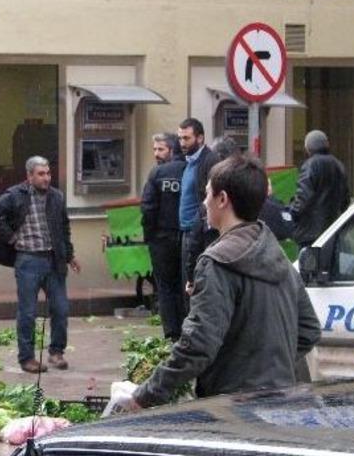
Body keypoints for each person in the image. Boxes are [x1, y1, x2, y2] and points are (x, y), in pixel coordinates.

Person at [118, 155, 321, 410]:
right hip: (282, 402)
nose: (204, 202)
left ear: (222, 199)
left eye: (207, 195)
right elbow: (309, 330)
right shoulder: (276, 254)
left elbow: (198, 344)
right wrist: (269, 367)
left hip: (233, 409)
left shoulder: (217, 262)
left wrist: (146, 394)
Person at [0, 156, 81, 373]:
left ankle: (56, 353)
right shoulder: (16, 195)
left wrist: (70, 254)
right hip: (28, 260)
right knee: (28, 312)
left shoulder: (57, 196)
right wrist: (10, 238)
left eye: (48, 173)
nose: (46, 178)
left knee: (61, 308)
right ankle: (27, 358)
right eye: (41, 174)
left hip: (53, 259)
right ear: (29, 176)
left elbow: (64, 227)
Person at [141, 133, 186, 341]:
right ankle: (188, 330)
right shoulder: (190, 170)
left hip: (162, 239)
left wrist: (149, 236)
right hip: (186, 238)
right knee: (185, 284)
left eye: (160, 149)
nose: (156, 154)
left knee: (166, 287)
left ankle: (172, 334)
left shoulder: (157, 174)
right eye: (154, 149)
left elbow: (148, 208)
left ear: (172, 149)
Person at [176, 118, 219, 314]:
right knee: (186, 283)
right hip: (186, 230)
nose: (182, 143)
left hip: (200, 232)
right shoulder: (188, 161)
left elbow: (209, 198)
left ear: (200, 138)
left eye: (187, 138)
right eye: (180, 138)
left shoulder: (209, 161)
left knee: (195, 285)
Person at [289, 130, 350, 248]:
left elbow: (303, 198)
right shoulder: (339, 165)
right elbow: (345, 200)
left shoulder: (310, 165)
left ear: (308, 148)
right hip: (332, 231)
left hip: (309, 233)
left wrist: (293, 213)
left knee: (308, 265)